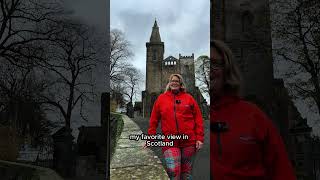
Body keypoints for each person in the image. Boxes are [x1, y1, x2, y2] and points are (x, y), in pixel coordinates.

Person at [210, 40, 296, 180]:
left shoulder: (253, 116)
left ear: (227, 71)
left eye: (214, 64)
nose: (209, 70)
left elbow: (282, 171)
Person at [146, 73, 204, 180]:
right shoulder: (161, 99)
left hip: (189, 142)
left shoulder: (189, 98)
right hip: (170, 142)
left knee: (186, 174)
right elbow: (154, 120)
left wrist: (199, 138)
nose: (174, 82)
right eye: (172, 81)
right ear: (169, 83)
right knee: (174, 172)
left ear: (181, 84)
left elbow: (198, 119)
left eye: (177, 81)